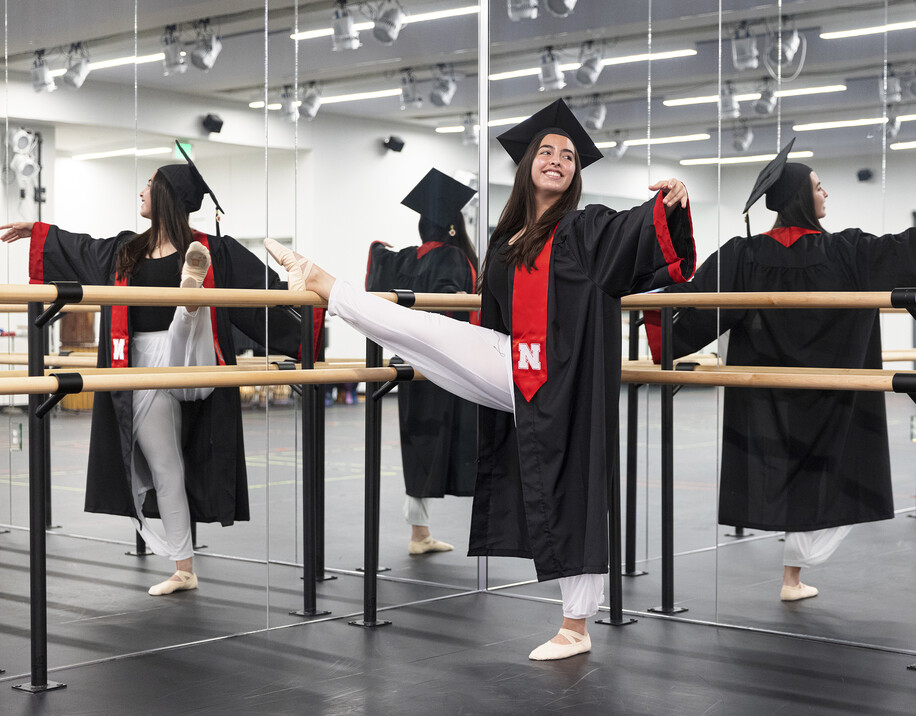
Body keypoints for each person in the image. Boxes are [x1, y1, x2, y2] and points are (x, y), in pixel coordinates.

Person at [266, 99, 696, 660]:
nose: (557, 159)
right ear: (527, 166)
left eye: (567, 155)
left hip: (562, 381)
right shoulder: (507, 239)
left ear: (575, 175)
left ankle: (576, 627)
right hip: (512, 363)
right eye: (546, 151)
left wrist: (669, 202)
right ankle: (324, 283)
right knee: (420, 335)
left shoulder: (587, 229)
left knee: (574, 481)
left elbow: (640, 235)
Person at [644, 139, 916, 602]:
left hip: (768, 398)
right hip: (834, 393)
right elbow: (900, 250)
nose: (825, 194)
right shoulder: (845, 252)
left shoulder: (744, 255)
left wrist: (650, 314)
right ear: (800, 197)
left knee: (787, 471)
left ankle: (792, 579)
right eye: (818, 187)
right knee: (827, 475)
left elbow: (694, 301)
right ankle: (792, 577)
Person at [1, 143, 320, 596]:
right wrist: (38, 230)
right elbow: (80, 249)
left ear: (167, 194)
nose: (142, 190)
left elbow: (258, 295)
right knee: (166, 465)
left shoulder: (217, 251)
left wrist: (303, 309)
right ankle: (183, 567)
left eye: (150, 184)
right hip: (143, 363)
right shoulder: (126, 251)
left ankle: (190, 302)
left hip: (196, 359)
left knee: (188, 327)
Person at [365, 168, 479, 555]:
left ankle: (420, 534)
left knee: (418, 445)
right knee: (452, 442)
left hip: (407, 362)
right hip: (444, 363)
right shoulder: (453, 257)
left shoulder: (403, 260)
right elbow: (456, 308)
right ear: (452, 227)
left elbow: (377, 258)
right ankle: (422, 535)